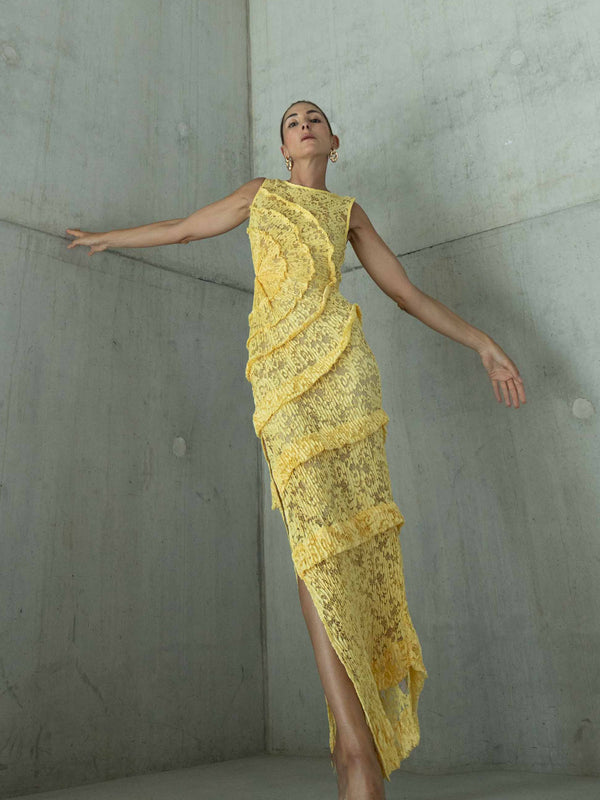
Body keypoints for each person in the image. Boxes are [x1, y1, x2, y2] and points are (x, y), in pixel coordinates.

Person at [66, 100, 526, 800]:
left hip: (346, 382)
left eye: (315, 118)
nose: (304, 124)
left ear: (334, 141)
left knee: (349, 548)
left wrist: (484, 344)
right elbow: (185, 229)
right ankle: (355, 747)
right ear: (284, 148)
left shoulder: (349, 212)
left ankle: (354, 751)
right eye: (291, 121)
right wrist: (108, 237)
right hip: (282, 382)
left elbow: (404, 294)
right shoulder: (261, 194)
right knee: (314, 544)